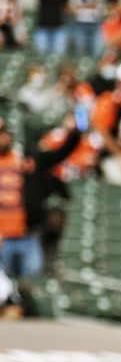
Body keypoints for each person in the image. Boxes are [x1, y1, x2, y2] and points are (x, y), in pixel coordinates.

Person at [0, 115, 83, 279]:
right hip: (2, 239)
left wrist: (75, 132)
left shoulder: (28, 157)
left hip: (28, 235)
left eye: (2, 132)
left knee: (33, 286)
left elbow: (61, 153)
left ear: (9, 134)